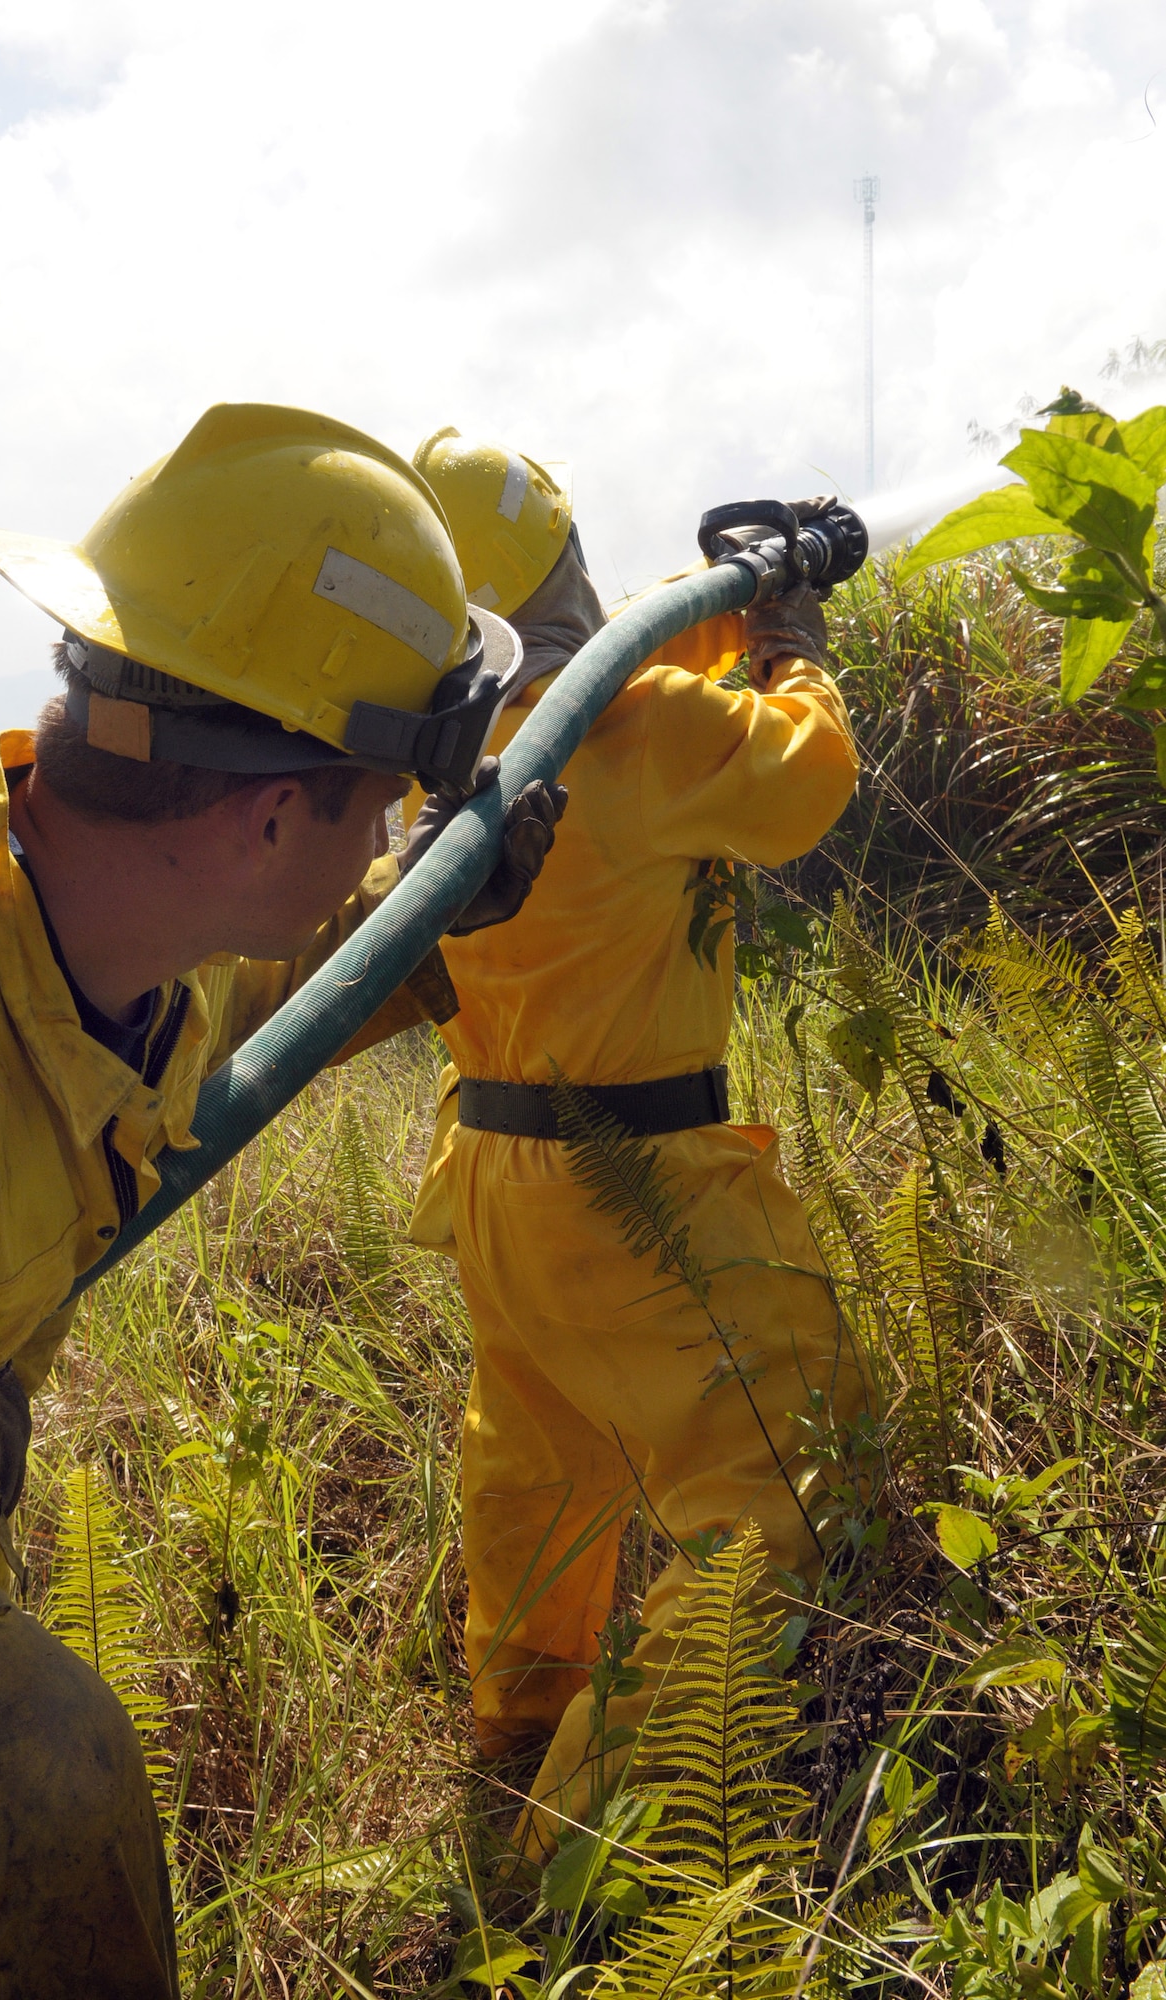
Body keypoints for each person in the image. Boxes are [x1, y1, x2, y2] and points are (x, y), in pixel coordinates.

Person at [0, 403, 563, 1998]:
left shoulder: (89, 902)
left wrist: (439, 907)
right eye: (381, 811)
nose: (385, 841)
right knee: (32, 1778)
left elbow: (263, 981)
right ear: (263, 816)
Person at [406, 427, 868, 1857]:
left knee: (539, 1465)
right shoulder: (647, 727)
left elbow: (612, 655)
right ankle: (596, 1848)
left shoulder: (454, 749)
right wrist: (788, 641)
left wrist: (727, 589)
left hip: (494, 1176)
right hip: (639, 1186)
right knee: (779, 1485)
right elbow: (802, 778)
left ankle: (523, 1720)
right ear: (562, 563)